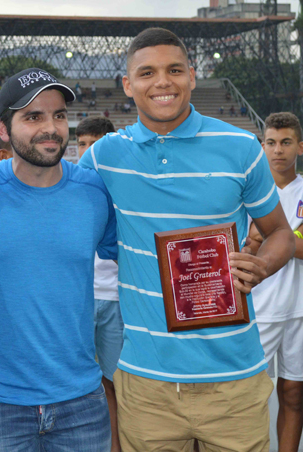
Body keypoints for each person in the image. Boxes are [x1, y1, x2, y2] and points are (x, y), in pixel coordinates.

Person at [78, 27, 294, 451]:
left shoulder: (240, 147)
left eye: (174, 70)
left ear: (192, 76)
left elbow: (281, 234)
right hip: (146, 382)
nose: (162, 82)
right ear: (127, 84)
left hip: (234, 380)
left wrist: (262, 265)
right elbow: (44, 193)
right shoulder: (104, 157)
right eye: (147, 73)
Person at [0, 68, 117, 451]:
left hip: (80, 398)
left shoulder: (93, 191)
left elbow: (134, 262)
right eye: (33, 117)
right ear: (1, 128)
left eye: (59, 115)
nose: (51, 127)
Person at [250, 112, 303, 452]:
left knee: (294, 394)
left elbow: (261, 241)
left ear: (300, 146)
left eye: (285, 142)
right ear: (262, 145)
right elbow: (241, 247)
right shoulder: (249, 192)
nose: (278, 150)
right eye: (271, 142)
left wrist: (270, 236)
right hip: (259, 309)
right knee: (246, 395)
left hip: (300, 310)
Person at [76, 116, 121, 452]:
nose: (88, 152)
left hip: (117, 299)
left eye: (95, 144)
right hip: (78, 300)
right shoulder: (68, 185)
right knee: (78, 384)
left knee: (116, 384)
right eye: (81, 144)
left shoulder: (126, 186)